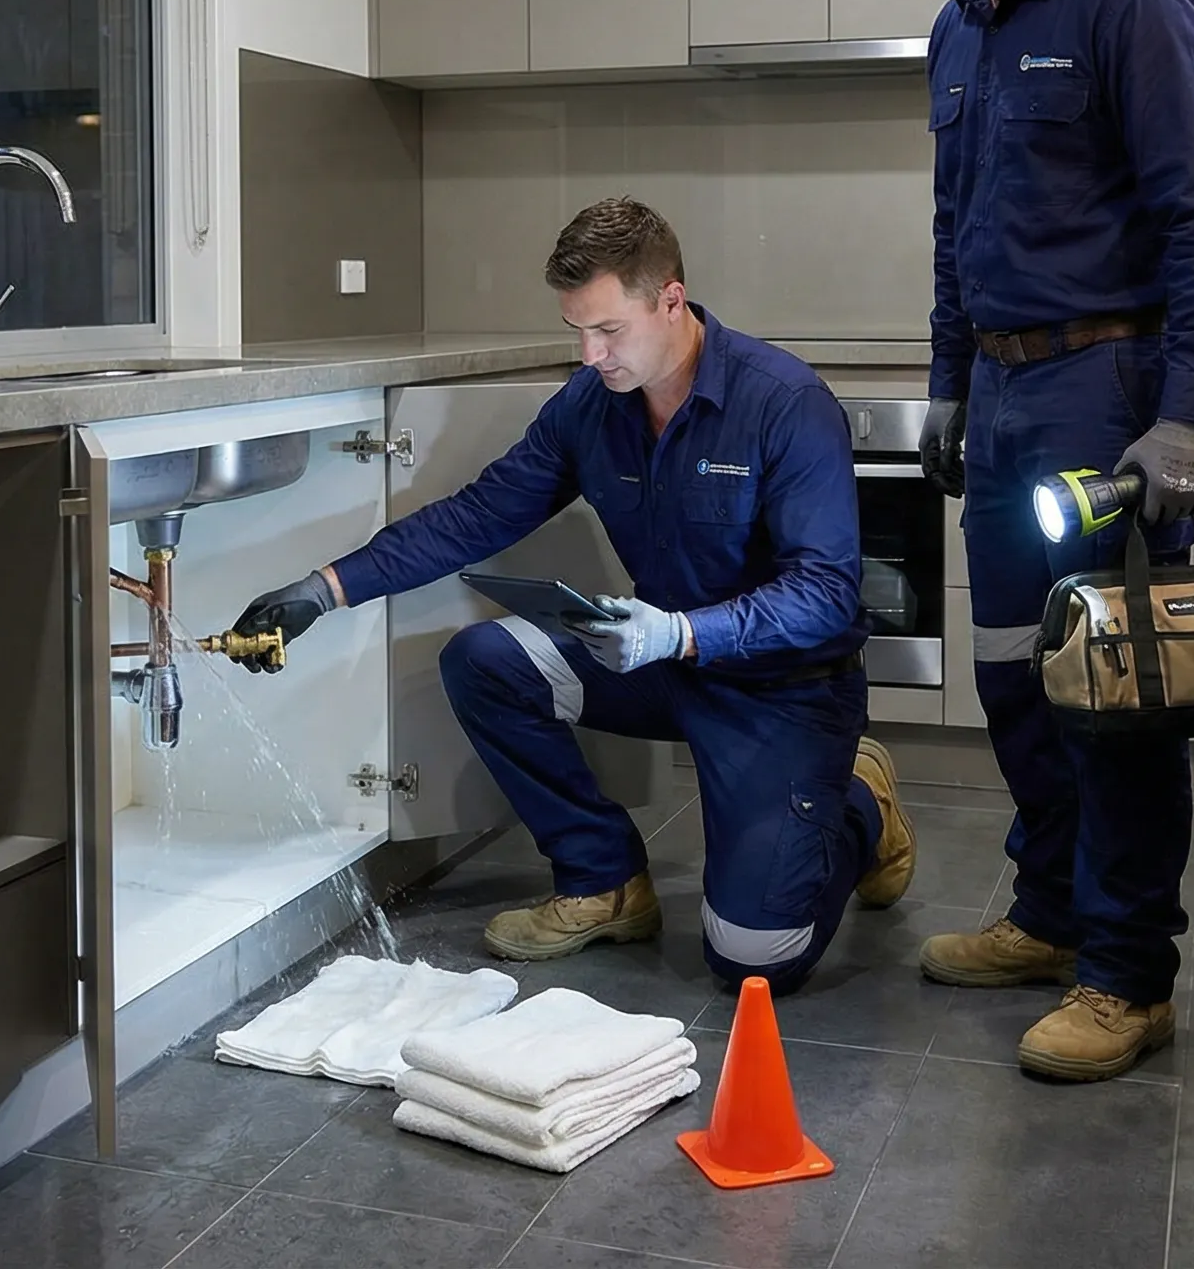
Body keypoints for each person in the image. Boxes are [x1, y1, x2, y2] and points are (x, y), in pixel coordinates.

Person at [225, 196, 917, 995]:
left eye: (608, 331)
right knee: (486, 661)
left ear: (670, 299)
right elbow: (480, 514)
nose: (589, 355)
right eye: (576, 331)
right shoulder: (592, 405)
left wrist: (678, 634)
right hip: (666, 667)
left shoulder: (783, 403)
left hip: (784, 691)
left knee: (755, 960)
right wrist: (326, 588)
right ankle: (604, 879)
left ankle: (862, 804)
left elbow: (826, 595)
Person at [855, 0, 1194, 1079]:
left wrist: (1189, 415)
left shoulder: (1131, 2)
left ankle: (1130, 977)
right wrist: (953, 389)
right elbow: (951, 232)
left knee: (1112, 691)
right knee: (1014, 679)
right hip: (1011, 392)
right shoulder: (964, 33)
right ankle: (1050, 915)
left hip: (1113, 391)